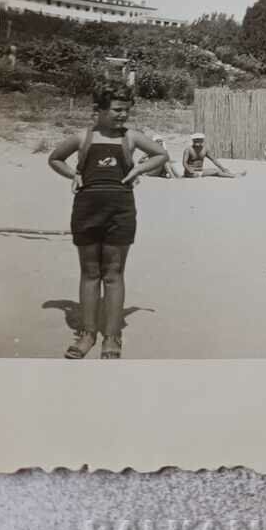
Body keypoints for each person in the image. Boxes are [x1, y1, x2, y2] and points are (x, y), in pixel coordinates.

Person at [48, 84, 168, 360]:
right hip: (87, 211)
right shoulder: (83, 138)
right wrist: (73, 176)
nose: (122, 115)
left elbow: (162, 155)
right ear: (99, 111)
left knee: (113, 273)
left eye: (126, 110)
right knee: (90, 273)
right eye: (116, 110)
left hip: (121, 212)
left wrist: (139, 167)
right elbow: (55, 158)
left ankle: (112, 335)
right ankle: (88, 333)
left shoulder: (132, 138)